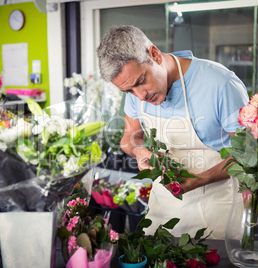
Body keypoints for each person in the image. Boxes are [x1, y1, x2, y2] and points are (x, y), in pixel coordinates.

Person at [97, 25, 249, 239]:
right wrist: (140, 152)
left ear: (155, 54)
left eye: (141, 82)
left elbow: (248, 155)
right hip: (162, 214)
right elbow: (129, 138)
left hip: (217, 213)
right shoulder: (136, 91)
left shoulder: (221, 83)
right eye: (129, 91)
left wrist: (198, 180)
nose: (139, 96)